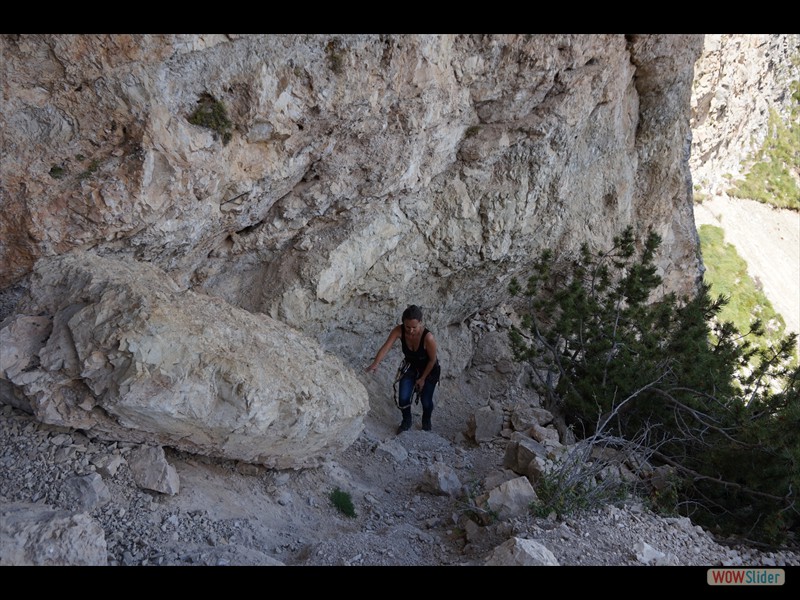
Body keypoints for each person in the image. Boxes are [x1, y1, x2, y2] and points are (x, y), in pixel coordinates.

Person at [366, 305, 441, 433]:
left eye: (414, 327)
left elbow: (432, 360)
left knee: (426, 401)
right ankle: (407, 420)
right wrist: (375, 363)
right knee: (403, 398)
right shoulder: (398, 331)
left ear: (420, 323)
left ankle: (426, 420)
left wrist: (422, 378)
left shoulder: (428, 338)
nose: (411, 331)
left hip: (429, 369)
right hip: (410, 366)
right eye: (407, 327)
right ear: (403, 323)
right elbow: (385, 348)